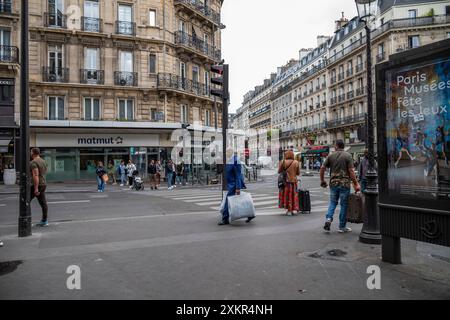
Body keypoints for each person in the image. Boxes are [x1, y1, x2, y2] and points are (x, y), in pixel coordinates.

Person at [320, 140, 361, 233]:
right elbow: (351, 171)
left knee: (333, 203)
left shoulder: (331, 156)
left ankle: (328, 219)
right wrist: (356, 183)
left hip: (333, 183)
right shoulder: (348, 156)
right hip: (344, 184)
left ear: (336, 146)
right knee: (344, 205)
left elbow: (322, 168)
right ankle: (342, 227)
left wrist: (322, 180)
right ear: (343, 146)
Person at [219, 150, 252, 225]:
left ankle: (225, 219)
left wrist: (237, 187)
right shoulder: (229, 160)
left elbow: (238, 175)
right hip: (230, 184)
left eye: (226, 152)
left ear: (230, 152)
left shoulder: (236, 160)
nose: (225, 153)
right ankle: (250, 214)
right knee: (241, 201)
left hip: (233, 185)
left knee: (228, 201)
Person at [30, 148, 49, 227]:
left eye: (31, 152)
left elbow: (36, 175)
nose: (30, 153)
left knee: (26, 202)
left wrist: (36, 188)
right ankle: (44, 221)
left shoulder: (33, 162)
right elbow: (45, 172)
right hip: (44, 184)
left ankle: (27, 220)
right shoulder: (43, 161)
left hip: (36, 184)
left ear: (33, 153)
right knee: (43, 203)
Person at [278, 150, 301, 215]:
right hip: (293, 182)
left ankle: (288, 210)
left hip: (285, 182)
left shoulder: (283, 162)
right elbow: (298, 173)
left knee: (286, 195)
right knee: (293, 195)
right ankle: (293, 209)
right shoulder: (296, 162)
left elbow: (279, 171)